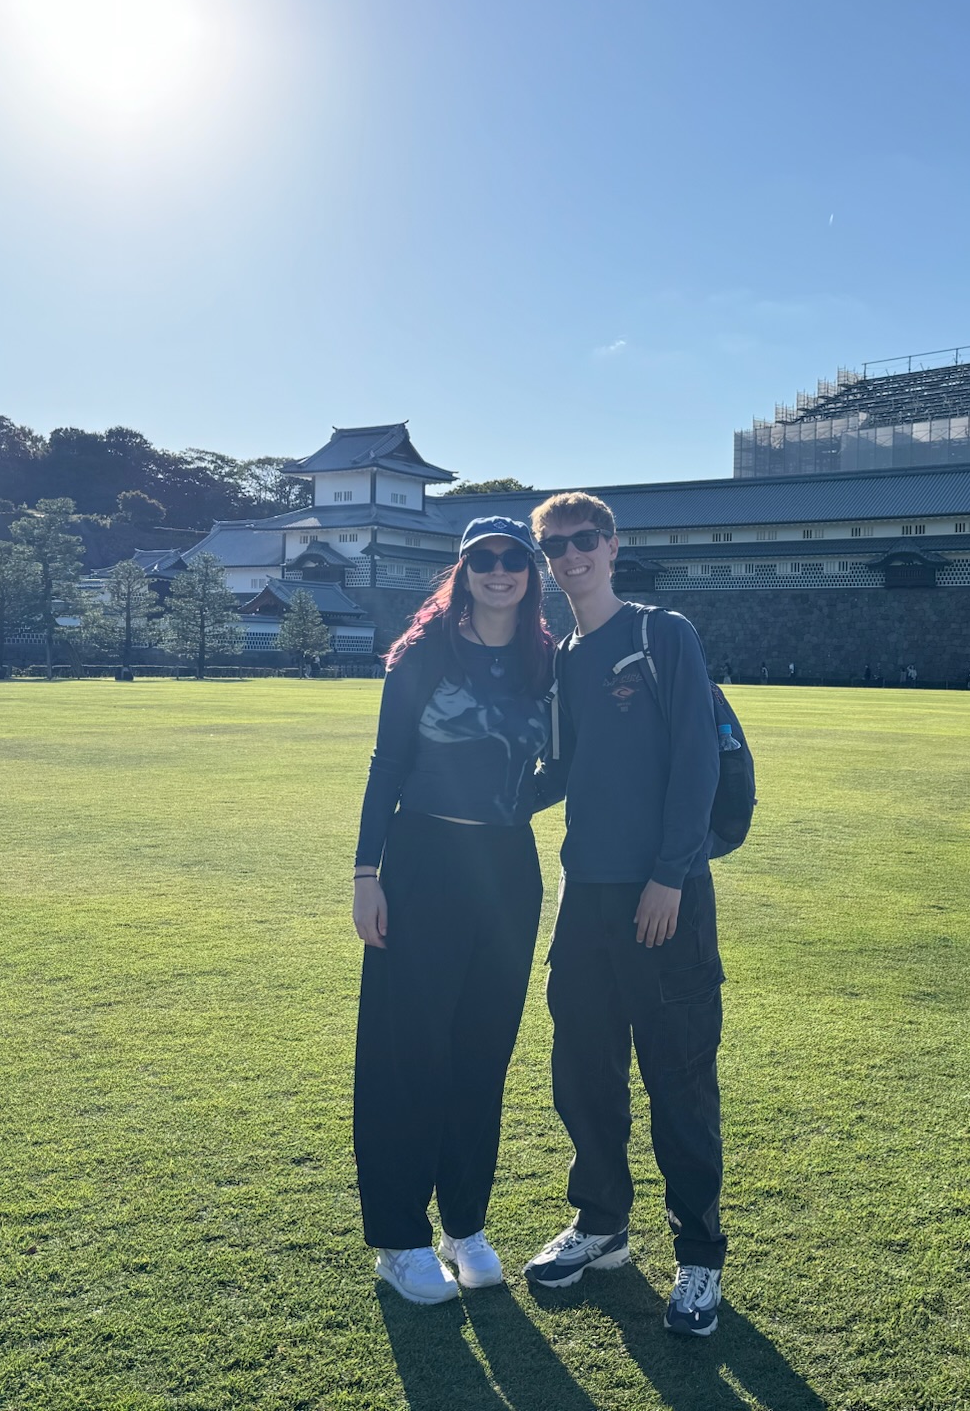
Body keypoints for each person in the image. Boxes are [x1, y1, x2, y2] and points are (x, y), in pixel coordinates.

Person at [524, 492, 729, 1337]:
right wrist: (453, 802)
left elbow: (695, 761)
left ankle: (699, 1260)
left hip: (664, 894)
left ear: (612, 546)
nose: (570, 558)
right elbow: (558, 771)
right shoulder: (563, 654)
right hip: (587, 897)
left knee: (678, 1075)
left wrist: (670, 875)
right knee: (584, 1070)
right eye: (554, 548)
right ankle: (601, 1224)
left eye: (582, 542)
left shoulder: (660, 634)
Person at [350, 516, 558, 1306]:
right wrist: (367, 872)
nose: (499, 571)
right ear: (463, 569)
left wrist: (511, 801)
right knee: (409, 1054)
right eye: (484, 560)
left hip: (508, 869)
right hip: (424, 861)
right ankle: (400, 1241)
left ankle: (464, 1224)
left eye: (512, 559)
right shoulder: (422, 652)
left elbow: (563, 764)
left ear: (529, 573)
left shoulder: (547, 660)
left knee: (482, 1054)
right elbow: (387, 765)